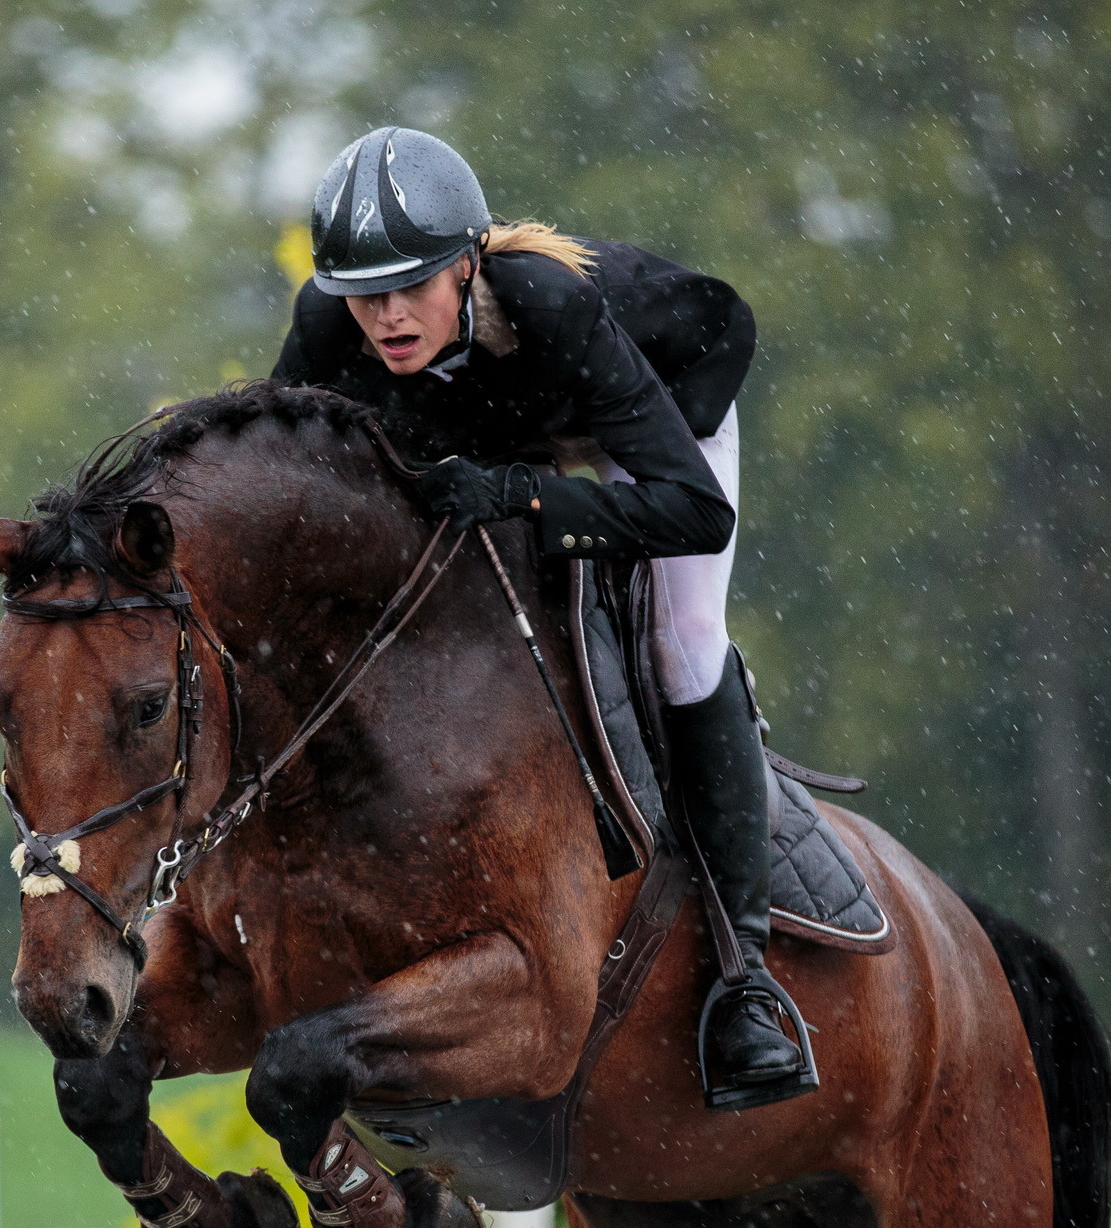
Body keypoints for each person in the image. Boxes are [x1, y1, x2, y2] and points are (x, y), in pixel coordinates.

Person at [273, 125, 807, 1113]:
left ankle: (746, 983)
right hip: (501, 420)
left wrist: (522, 495)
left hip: (659, 414)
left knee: (678, 643)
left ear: (467, 265)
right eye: (362, 295)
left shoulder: (549, 304)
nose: (384, 318)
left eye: (410, 288)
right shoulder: (330, 320)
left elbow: (693, 511)